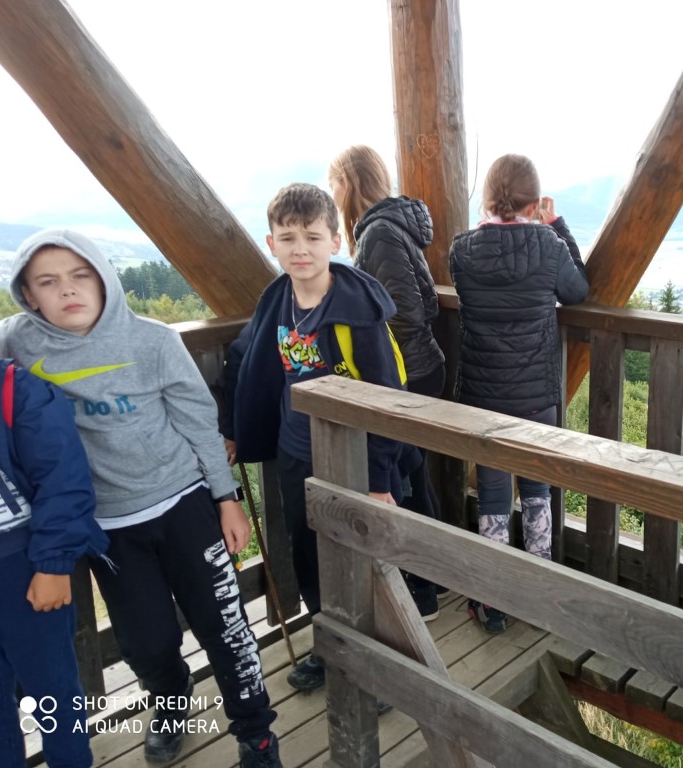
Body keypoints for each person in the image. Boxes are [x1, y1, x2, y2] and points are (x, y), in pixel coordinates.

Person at [0, 229, 282, 767]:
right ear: (27, 295)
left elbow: (199, 421)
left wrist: (227, 498)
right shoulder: (15, 342)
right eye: (48, 282)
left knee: (225, 627)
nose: (67, 290)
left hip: (184, 502)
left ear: (104, 278)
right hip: (108, 526)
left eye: (80, 275)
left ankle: (256, 734)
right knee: (145, 642)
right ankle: (171, 700)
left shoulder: (153, 341)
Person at [221, 183, 409, 696]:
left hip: (355, 459)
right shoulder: (276, 300)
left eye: (312, 237)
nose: (300, 249)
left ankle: (380, 669)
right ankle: (331, 649)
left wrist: (378, 479)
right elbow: (244, 358)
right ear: (271, 244)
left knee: (363, 563)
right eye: (287, 238)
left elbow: (386, 400)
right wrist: (231, 429)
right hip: (295, 452)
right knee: (308, 557)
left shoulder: (357, 311)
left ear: (336, 241)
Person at [449, 154, 589, 633]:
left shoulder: (462, 250)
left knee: (492, 492)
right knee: (537, 489)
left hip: (484, 394)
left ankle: (493, 601)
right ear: (534, 205)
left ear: (487, 199)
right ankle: (539, 595)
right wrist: (556, 225)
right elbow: (577, 291)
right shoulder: (548, 244)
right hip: (536, 397)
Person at [328, 145, 446, 618]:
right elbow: (423, 303)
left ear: (350, 183)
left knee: (406, 482)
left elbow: (408, 311)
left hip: (406, 374)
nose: (331, 192)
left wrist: (369, 339)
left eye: (334, 182)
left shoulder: (377, 232)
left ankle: (423, 590)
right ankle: (433, 578)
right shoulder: (388, 226)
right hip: (416, 368)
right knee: (414, 478)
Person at [0, 354, 108, 768]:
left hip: (22, 564)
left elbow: (63, 478)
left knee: (53, 690)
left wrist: (52, 564)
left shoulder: (14, 389)